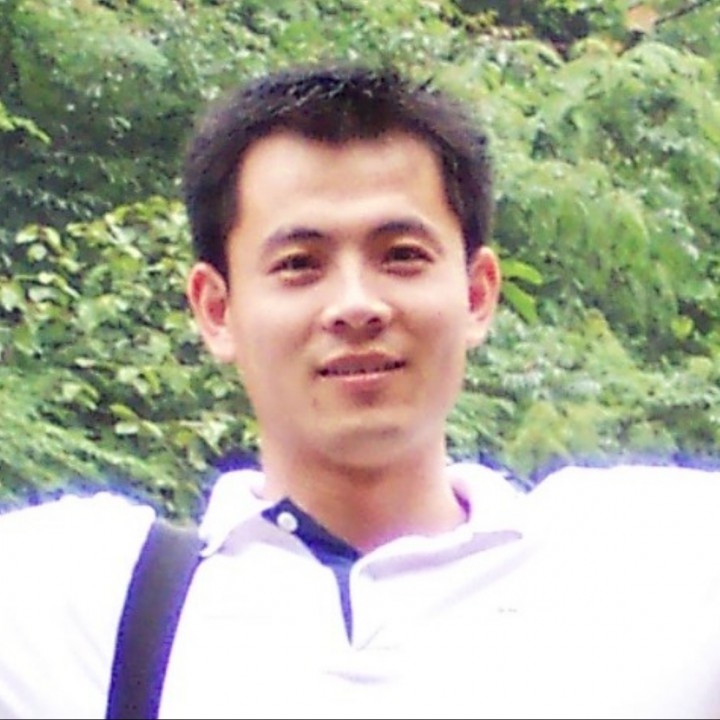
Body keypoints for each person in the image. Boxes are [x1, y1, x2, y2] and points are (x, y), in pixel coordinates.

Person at [1, 62, 719, 720]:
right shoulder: (85, 606)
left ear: (476, 293)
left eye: (401, 255)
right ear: (217, 310)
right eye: (298, 264)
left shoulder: (653, 569)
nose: (355, 305)